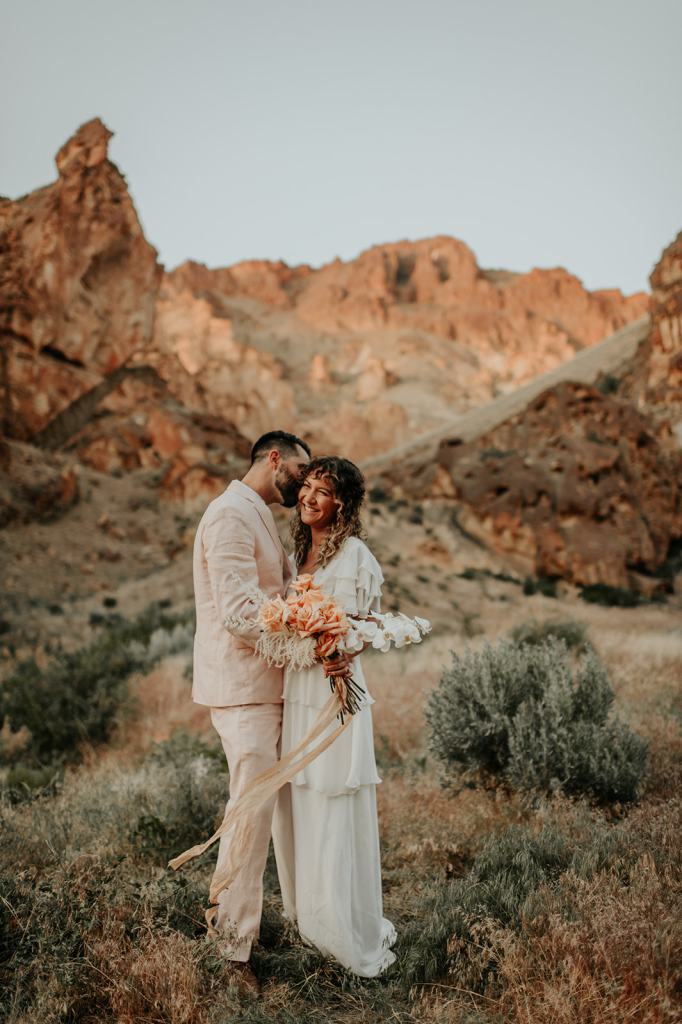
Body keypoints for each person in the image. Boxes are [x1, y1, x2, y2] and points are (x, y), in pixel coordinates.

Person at [191, 429, 312, 989]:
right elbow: (240, 612)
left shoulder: (256, 513)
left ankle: (268, 925)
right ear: (274, 459)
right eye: (300, 472)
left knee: (267, 813)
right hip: (244, 689)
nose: (304, 485)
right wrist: (305, 638)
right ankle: (231, 952)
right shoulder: (228, 516)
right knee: (250, 814)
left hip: (268, 686)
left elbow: (277, 592)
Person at [272, 455, 397, 977]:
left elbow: (362, 625)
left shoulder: (354, 556)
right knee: (300, 799)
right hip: (298, 689)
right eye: (306, 487)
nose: (308, 498)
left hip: (333, 690)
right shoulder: (296, 554)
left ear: (341, 503)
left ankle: (340, 930)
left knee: (332, 800)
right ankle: (308, 922)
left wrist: (341, 649)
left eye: (322, 491)